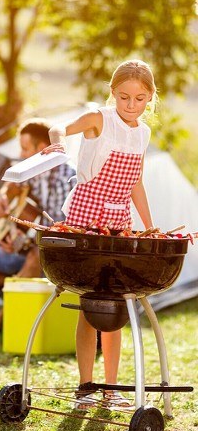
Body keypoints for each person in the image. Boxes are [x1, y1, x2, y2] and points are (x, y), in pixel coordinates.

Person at [42, 59, 157, 410]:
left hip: (118, 221)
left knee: (116, 303)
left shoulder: (143, 133)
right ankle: (86, 386)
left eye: (139, 99)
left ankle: (111, 389)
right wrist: (59, 143)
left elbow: (134, 181)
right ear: (112, 93)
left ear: (150, 98)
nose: (131, 106)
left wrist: (148, 225)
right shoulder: (99, 119)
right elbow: (58, 126)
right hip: (86, 218)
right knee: (89, 304)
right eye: (124, 97)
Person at [0, 118, 77, 335]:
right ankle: (20, 290)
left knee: (33, 259)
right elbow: (13, 184)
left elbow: (58, 232)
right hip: (31, 243)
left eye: (24, 149)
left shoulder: (66, 178)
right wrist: (2, 197)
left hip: (54, 252)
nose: (21, 155)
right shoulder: (32, 169)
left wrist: (26, 241)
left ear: (42, 149)